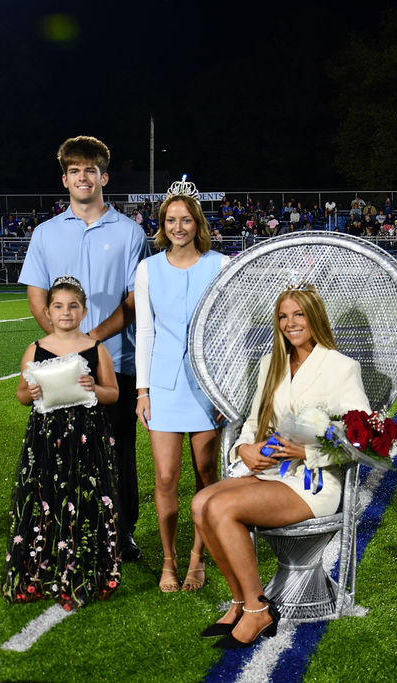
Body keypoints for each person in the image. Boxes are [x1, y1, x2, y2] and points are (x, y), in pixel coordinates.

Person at [190, 285, 370, 647]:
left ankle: (259, 611)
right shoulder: (270, 364)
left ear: (315, 316)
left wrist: (307, 453)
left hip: (314, 482)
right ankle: (241, 602)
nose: (290, 323)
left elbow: (362, 440)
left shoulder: (342, 367)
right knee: (200, 503)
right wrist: (244, 450)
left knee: (221, 508)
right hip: (271, 472)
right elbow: (254, 423)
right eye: (283, 316)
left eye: (299, 314)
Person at [18, 136, 147, 562]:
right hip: (60, 366)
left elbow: (134, 300)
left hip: (116, 361)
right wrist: (64, 347)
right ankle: (67, 529)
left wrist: (91, 343)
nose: (83, 177)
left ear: (104, 177)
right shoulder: (45, 233)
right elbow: (37, 297)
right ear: (64, 179)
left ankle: (122, 531)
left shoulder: (130, 232)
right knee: (63, 452)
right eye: (74, 171)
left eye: (91, 170)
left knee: (117, 450)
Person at [3, 276, 122, 609]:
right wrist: (31, 392)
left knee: (85, 498)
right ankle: (40, 569)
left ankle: (85, 568)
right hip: (46, 437)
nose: (66, 312)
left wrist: (93, 388)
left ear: (84, 311)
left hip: (87, 437)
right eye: (58, 306)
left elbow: (113, 393)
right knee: (46, 498)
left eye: (73, 306)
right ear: (47, 312)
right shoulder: (35, 349)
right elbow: (21, 396)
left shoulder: (96, 349)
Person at [135, 193, 229, 593]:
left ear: (197, 224)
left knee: (207, 474)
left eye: (185, 220)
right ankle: (169, 560)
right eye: (170, 220)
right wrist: (142, 391)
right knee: (165, 476)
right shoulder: (148, 269)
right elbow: (145, 332)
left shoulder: (220, 265)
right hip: (163, 386)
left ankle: (198, 557)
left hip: (208, 386)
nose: (178, 227)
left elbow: (230, 330)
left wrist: (225, 390)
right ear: (162, 226)